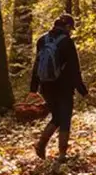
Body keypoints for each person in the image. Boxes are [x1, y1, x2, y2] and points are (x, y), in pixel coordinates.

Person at [29, 14, 88, 161]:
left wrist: (33, 88)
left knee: (56, 117)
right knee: (65, 118)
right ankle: (62, 155)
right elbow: (74, 68)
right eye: (71, 28)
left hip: (46, 86)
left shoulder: (42, 40)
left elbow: (37, 65)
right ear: (67, 26)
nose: (71, 31)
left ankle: (41, 144)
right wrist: (82, 90)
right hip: (64, 87)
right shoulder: (67, 42)